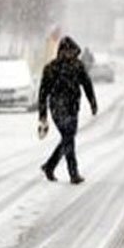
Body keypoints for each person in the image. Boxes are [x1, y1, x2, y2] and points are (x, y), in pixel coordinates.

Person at [38, 36, 97, 185]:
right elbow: (43, 93)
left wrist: (92, 102)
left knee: (67, 138)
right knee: (68, 137)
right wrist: (43, 115)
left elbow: (87, 84)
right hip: (57, 108)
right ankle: (73, 173)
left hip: (73, 107)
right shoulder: (51, 68)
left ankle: (49, 166)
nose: (70, 55)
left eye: (72, 52)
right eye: (67, 51)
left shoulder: (78, 66)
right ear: (61, 51)